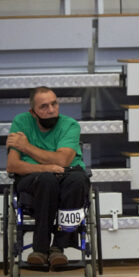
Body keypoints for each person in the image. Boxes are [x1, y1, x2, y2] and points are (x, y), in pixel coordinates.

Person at [6, 86, 90, 267]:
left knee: (78, 181)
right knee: (46, 179)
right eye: (44, 106)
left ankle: (58, 248)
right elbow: (12, 165)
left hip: (67, 173)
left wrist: (27, 147)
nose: (51, 109)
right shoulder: (21, 122)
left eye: (54, 104)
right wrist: (46, 167)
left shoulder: (70, 125)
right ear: (33, 112)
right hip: (34, 178)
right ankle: (40, 248)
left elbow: (63, 160)